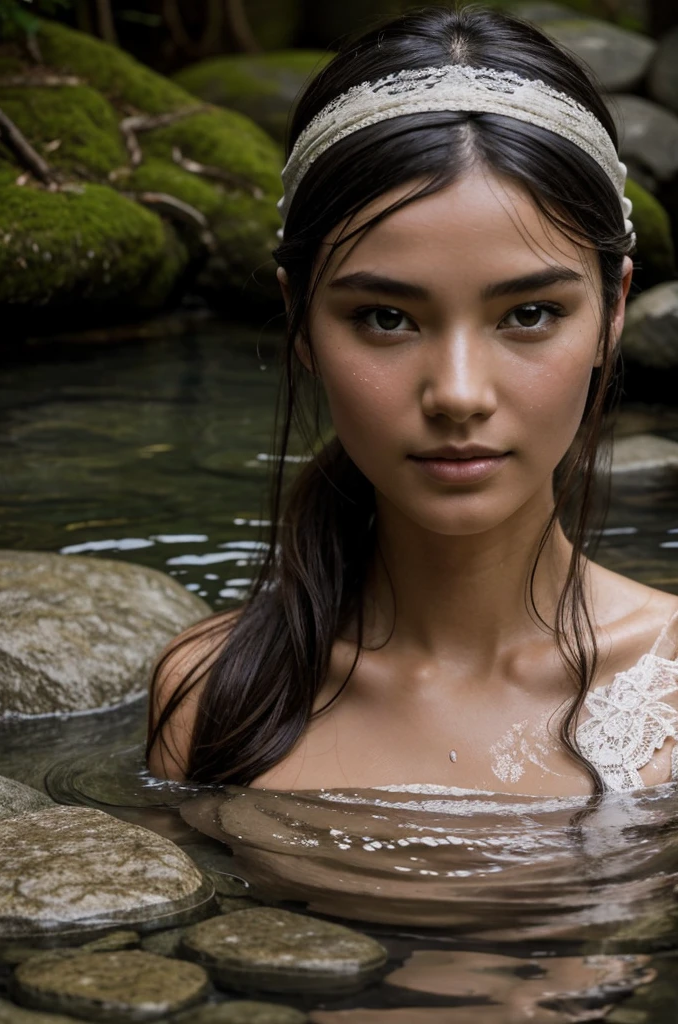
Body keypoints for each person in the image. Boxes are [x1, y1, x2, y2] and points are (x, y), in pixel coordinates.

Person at [146, 4, 678, 798]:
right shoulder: (212, 702)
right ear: (300, 321)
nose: (458, 394)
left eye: (529, 314)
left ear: (612, 311)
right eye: (386, 318)